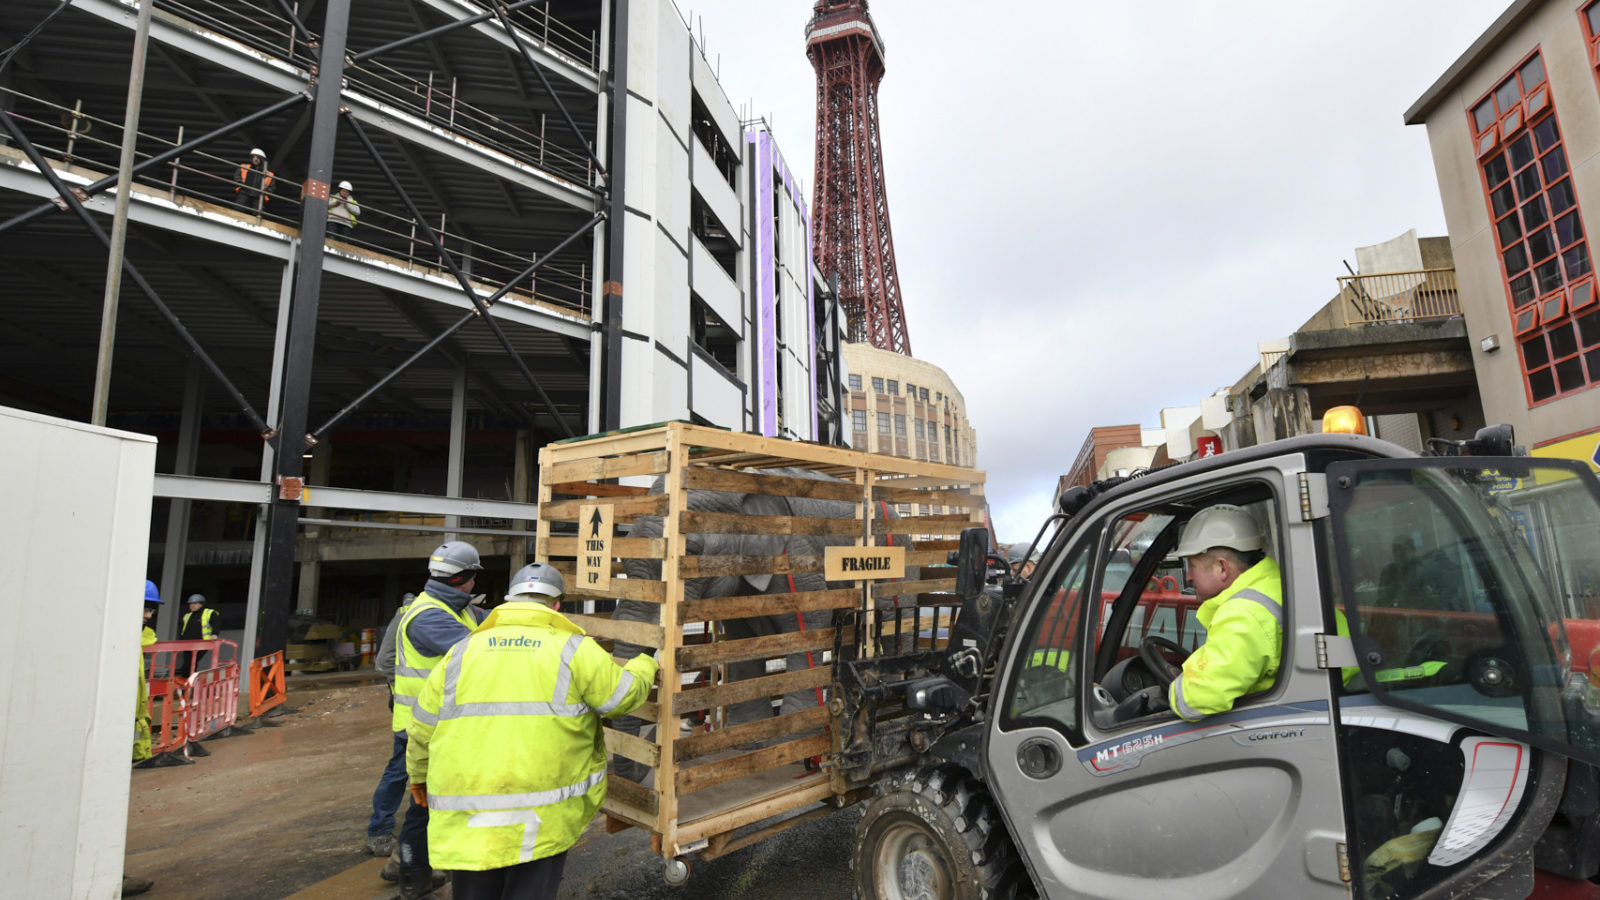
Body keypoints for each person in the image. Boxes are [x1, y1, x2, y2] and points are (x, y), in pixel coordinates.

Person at [407, 562, 658, 900]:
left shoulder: (462, 651)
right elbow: (621, 697)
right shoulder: (573, 649)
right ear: (556, 604)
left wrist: (419, 776)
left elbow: (422, 725)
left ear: (510, 600)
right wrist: (645, 664)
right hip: (541, 816)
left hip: (468, 812)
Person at [392, 542, 489, 899]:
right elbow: (478, 653)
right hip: (423, 727)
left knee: (441, 798)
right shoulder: (429, 616)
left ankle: (416, 861)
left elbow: (489, 620)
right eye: (473, 576)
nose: (475, 583)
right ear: (461, 578)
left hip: (440, 724)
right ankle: (413, 871)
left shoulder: (456, 607)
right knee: (426, 803)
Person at [1165, 504, 1283, 721]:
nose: (1189, 576)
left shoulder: (1243, 614)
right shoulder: (1274, 583)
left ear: (1222, 568)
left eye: (1192, 566)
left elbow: (1194, 701)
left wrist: (1169, 692)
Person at [364, 591, 417, 859]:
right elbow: (384, 663)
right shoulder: (408, 616)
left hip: (432, 711)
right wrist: (408, 685)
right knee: (399, 770)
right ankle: (380, 831)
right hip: (412, 712)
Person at [175, 593, 217, 678]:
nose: (192, 606)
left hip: (202, 643)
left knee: (191, 662)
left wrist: (214, 634)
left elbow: (216, 623)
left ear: (201, 604)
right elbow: (182, 630)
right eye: (190, 604)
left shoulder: (209, 613)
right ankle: (187, 681)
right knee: (188, 663)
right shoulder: (187, 616)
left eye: (195, 604)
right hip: (187, 644)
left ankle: (190, 681)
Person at [235, 148, 273, 212]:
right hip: (245, 191)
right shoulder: (244, 167)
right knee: (239, 207)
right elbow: (237, 176)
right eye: (253, 157)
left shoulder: (269, 174)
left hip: (258, 195)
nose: (255, 159)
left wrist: (265, 191)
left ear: (261, 159)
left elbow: (271, 187)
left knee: (258, 212)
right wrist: (240, 183)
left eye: (257, 157)